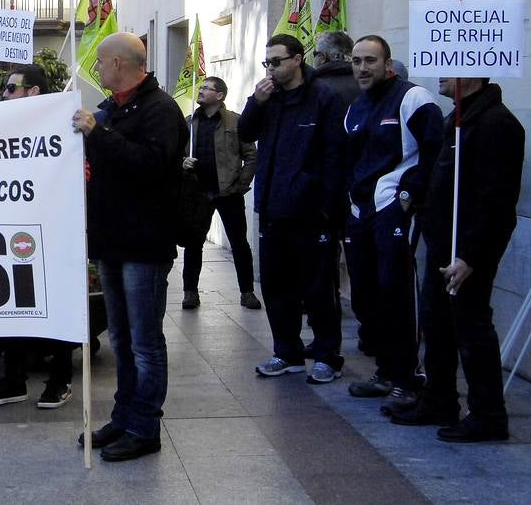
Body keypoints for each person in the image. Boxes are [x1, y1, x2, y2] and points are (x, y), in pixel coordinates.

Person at [72, 33, 186, 462]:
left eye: (100, 64)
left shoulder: (161, 110)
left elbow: (150, 166)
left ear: (119, 63)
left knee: (144, 342)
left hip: (144, 243)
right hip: (111, 240)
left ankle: (144, 427)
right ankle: (123, 416)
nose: (97, 71)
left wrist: (98, 135)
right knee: (119, 337)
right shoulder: (111, 110)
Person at [392, 77, 523, 443]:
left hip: (466, 251)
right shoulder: (458, 119)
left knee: (472, 327)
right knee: (437, 324)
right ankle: (439, 399)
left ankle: (488, 415)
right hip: (442, 244)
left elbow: (495, 200)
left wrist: (470, 255)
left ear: (471, 74)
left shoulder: (497, 123)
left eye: (449, 68)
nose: (440, 76)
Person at [239, 33, 346, 385]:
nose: (270, 68)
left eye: (276, 61)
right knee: (275, 284)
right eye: (267, 62)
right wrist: (256, 101)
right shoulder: (269, 98)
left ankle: (328, 355)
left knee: (316, 287)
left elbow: (334, 155)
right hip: (273, 207)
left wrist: (327, 206)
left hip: (310, 210)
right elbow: (245, 132)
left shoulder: (323, 97)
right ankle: (286, 352)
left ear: (298, 59)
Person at [342, 35, 442, 400]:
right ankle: (385, 372)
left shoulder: (413, 98)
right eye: (356, 61)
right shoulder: (354, 108)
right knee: (366, 297)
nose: (362, 68)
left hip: (393, 211)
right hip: (359, 213)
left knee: (396, 292)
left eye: (370, 60)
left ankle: (406, 376)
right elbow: (349, 161)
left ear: (387, 63)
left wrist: (410, 195)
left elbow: (435, 153)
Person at [0, 64, 77, 410]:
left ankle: (60, 380)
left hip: (52, 231)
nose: (3, 94)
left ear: (33, 92)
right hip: (10, 231)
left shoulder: (63, 126)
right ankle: (13, 379)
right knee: (9, 305)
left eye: (10, 88)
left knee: (57, 305)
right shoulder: (0, 127)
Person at [179, 76, 260, 311]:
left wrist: (242, 183)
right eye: (201, 87)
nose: (201, 90)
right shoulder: (189, 123)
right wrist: (182, 163)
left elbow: (251, 155)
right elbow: (175, 153)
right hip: (198, 192)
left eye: (206, 88)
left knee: (239, 244)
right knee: (194, 244)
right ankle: (190, 292)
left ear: (220, 95)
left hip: (228, 192)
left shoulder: (235, 122)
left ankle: (247, 292)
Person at [311, 31, 360, 109]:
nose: (314, 59)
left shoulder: (314, 89)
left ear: (323, 57)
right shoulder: (365, 83)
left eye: (315, 54)